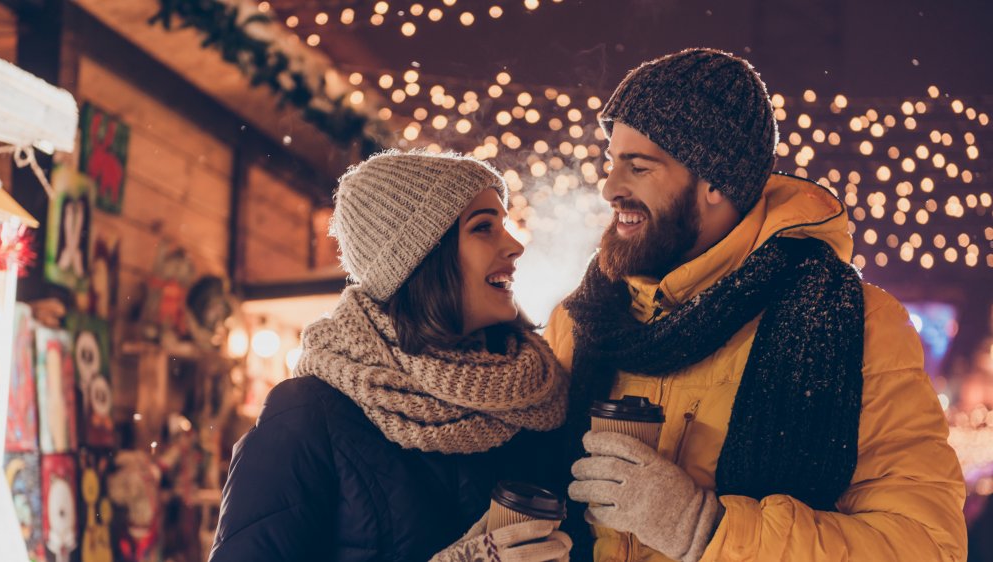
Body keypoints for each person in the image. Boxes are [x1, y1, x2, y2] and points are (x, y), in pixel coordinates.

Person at [545, 48, 968, 561]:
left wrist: (706, 529)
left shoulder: (853, 323)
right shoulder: (582, 320)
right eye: (612, 164)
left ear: (715, 181)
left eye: (638, 167)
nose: (611, 188)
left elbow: (927, 545)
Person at [210, 150, 573, 562]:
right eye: (484, 228)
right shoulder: (310, 414)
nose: (513, 245)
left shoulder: (538, 399)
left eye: (504, 225)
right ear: (421, 260)